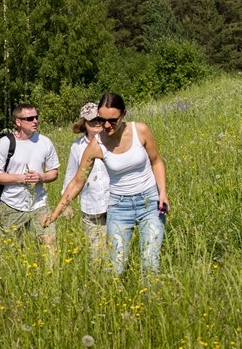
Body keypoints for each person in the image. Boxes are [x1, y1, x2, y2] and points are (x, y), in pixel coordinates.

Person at [42, 93, 169, 275]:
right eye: (102, 120)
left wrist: (162, 193)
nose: (106, 126)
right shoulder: (96, 145)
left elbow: (156, 161)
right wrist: (55, 213)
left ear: (123, 114)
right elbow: (77, 182)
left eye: (112, 120)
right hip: (119, 208)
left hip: (149, 201)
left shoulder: (140, 131)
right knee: (116, 267)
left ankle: (151, 301)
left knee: (150, 262)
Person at [0, 103, 59, 247]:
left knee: (50, 242)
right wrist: (22, 178)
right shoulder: (5, 143)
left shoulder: (45, 142)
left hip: (40, 204)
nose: (35, 121)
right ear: (18, 122)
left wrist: (42, 177)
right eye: (30, 118)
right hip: (12, 205)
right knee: (10, 251)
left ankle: (51, 270)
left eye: (36, 117)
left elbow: (54, 172)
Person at [61, 103, 110, 260]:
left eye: (99, 119)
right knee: (97, 254)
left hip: (115, 202)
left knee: (117, 249)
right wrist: (66, 203)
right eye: (91, 120)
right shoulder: (77, 147)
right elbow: (71, 176)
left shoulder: (112, 141)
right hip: (92, 205)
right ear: (84, 124)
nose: (96, 123)